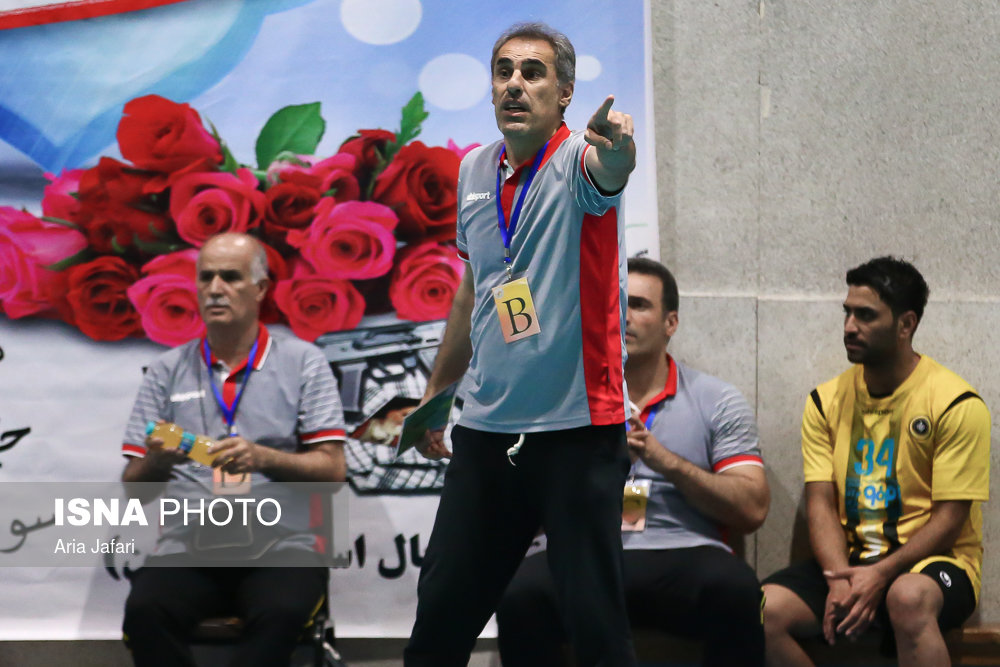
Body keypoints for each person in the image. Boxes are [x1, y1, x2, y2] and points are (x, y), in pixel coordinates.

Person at [404, 21, 638, 667]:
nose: (515, 84)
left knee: (596, 631)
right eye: (504, 71)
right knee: (438, 623)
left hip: (577, 431)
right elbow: (475, 289)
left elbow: (612, 169)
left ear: (564, 93)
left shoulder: (579, 161)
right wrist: (437, 393)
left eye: (533, 73)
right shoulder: (474, 169)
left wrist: (619, 149)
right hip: (486, 430)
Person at [496, 257, 770, 667]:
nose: (623, 315)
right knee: (519, 595)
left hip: (682, 550)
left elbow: (752, 509)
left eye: (638, 305)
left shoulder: (717, 400)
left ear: (671, 323)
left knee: (738, 590)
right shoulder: (559, 399)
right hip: (580, 549)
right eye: (614, 302)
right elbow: (513, 507)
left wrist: (665, 462)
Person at [119, 232, 347, 667]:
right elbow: (134, 488)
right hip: (189, 547)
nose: (215, 289)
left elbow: (333, 471)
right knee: (146, 612)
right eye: (206, 277)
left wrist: (263, 458)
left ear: (260, 289)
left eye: (230, 277)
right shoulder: (166, 370)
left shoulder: (303, 362)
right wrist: (158, 462)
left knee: (282, 612)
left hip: (282, 546)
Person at [762, 256, 991, 667]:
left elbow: (950, 520)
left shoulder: (955, 403)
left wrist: (882, 574)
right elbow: (820, 502)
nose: (849, 327)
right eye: (847, 313)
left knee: (907, 597)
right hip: (851, 561)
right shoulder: (825, 401)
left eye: (866, 315)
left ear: (906, 325)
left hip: (934, 564)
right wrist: (838, 578)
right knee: (758, 611)